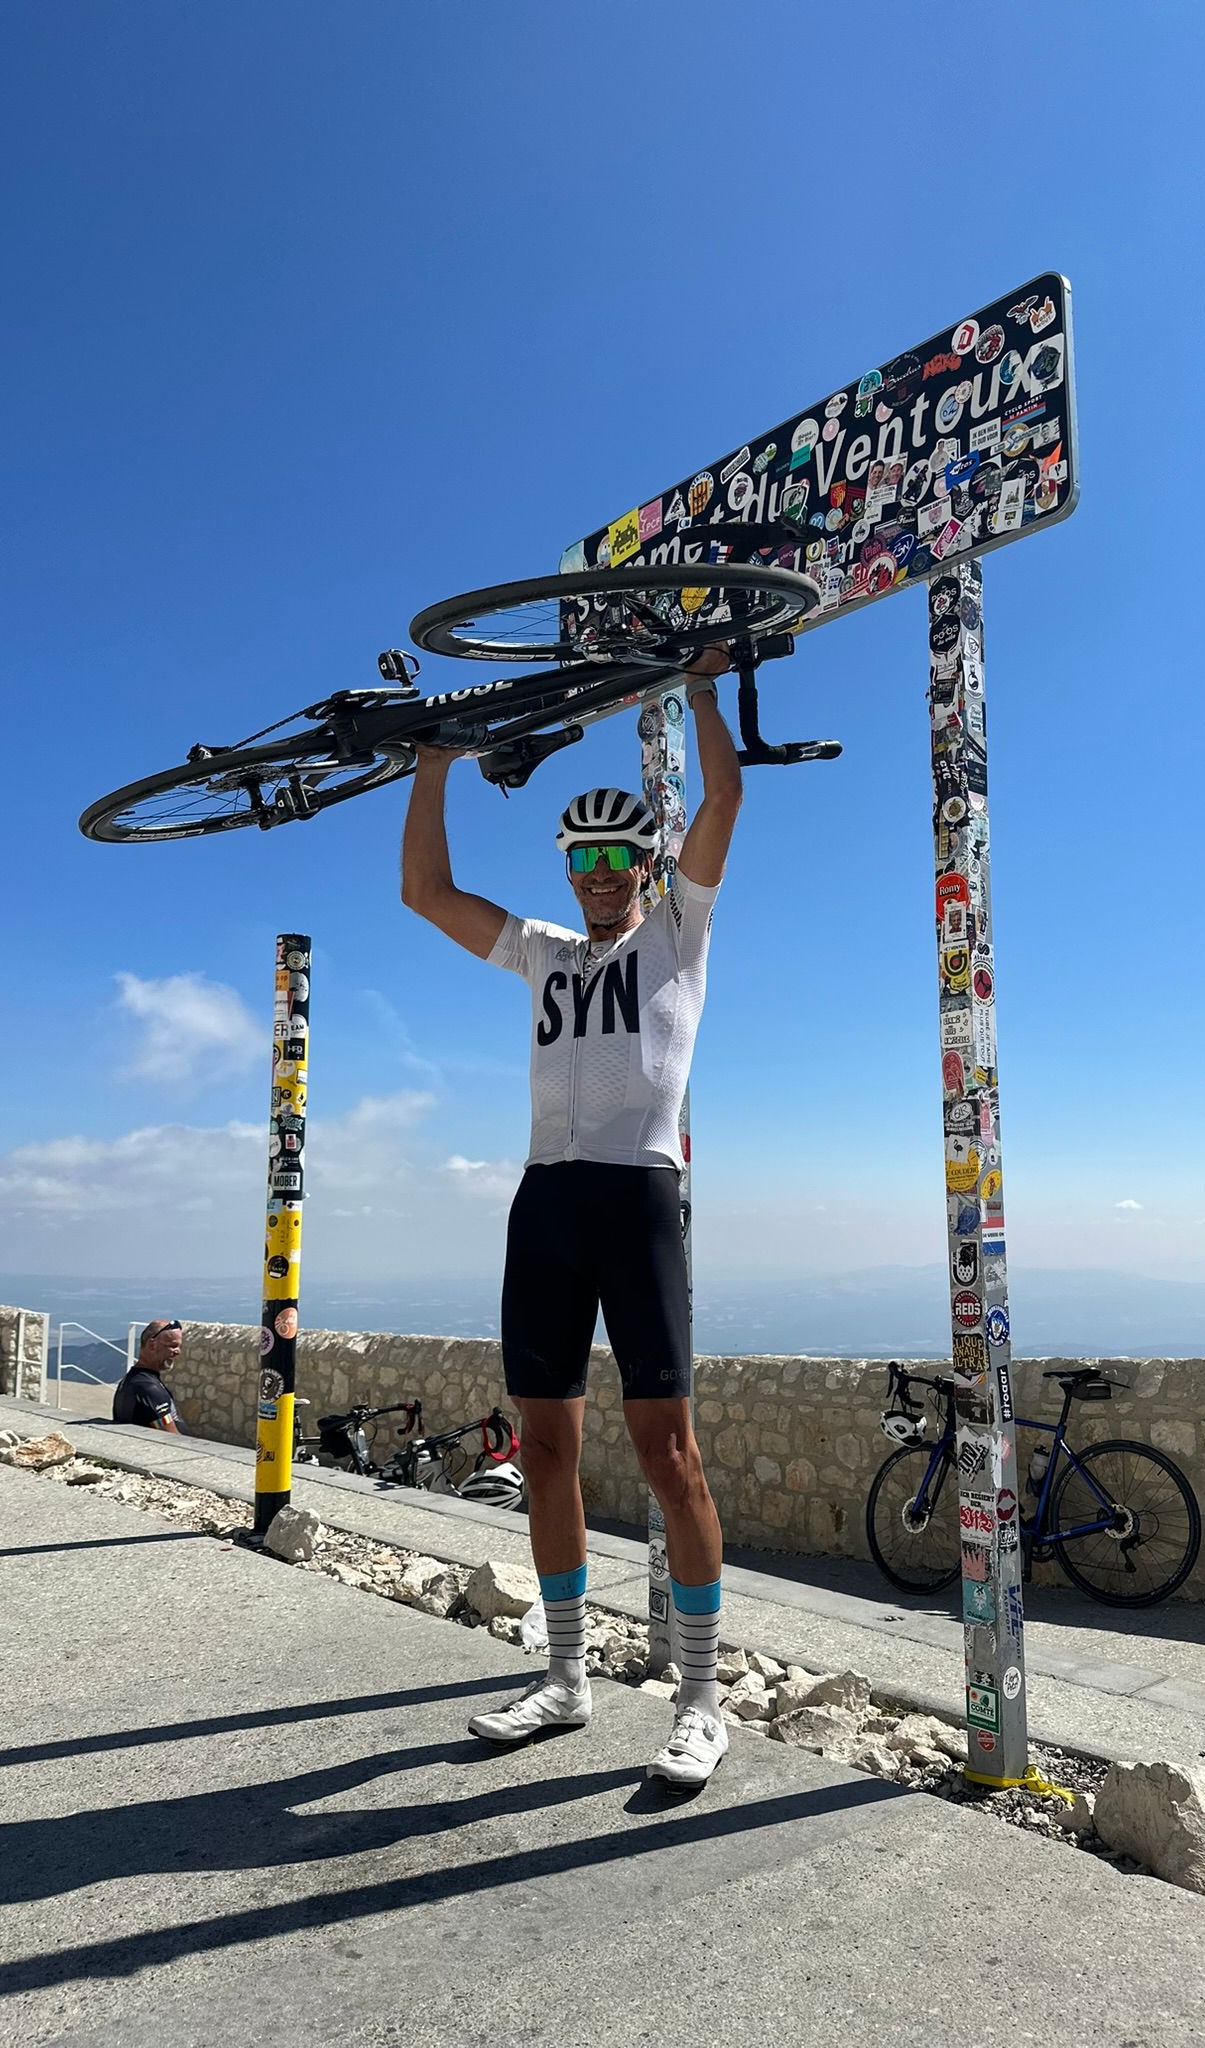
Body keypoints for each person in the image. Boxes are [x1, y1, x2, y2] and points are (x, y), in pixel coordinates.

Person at [401, 650, 737, 1790]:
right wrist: (433, 767)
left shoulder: (676, 934)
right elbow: (428, 895)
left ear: (644, 860)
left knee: (669, 1454)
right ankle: (565, 1674)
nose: (599, 872)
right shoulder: (544, 951)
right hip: (545, 1197)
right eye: (580, 856)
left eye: (616, 855)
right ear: (567, 865)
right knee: (543, 1446)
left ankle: (700, 1697)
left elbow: (724, 801)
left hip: (636, 1194)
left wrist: (702, 689)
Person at [113, 1319, 188, 1433]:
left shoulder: (136, 1379)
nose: (178, 1351)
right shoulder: (148, 1388)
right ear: (152, 1345)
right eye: (173, 1346)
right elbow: (171, 1437)